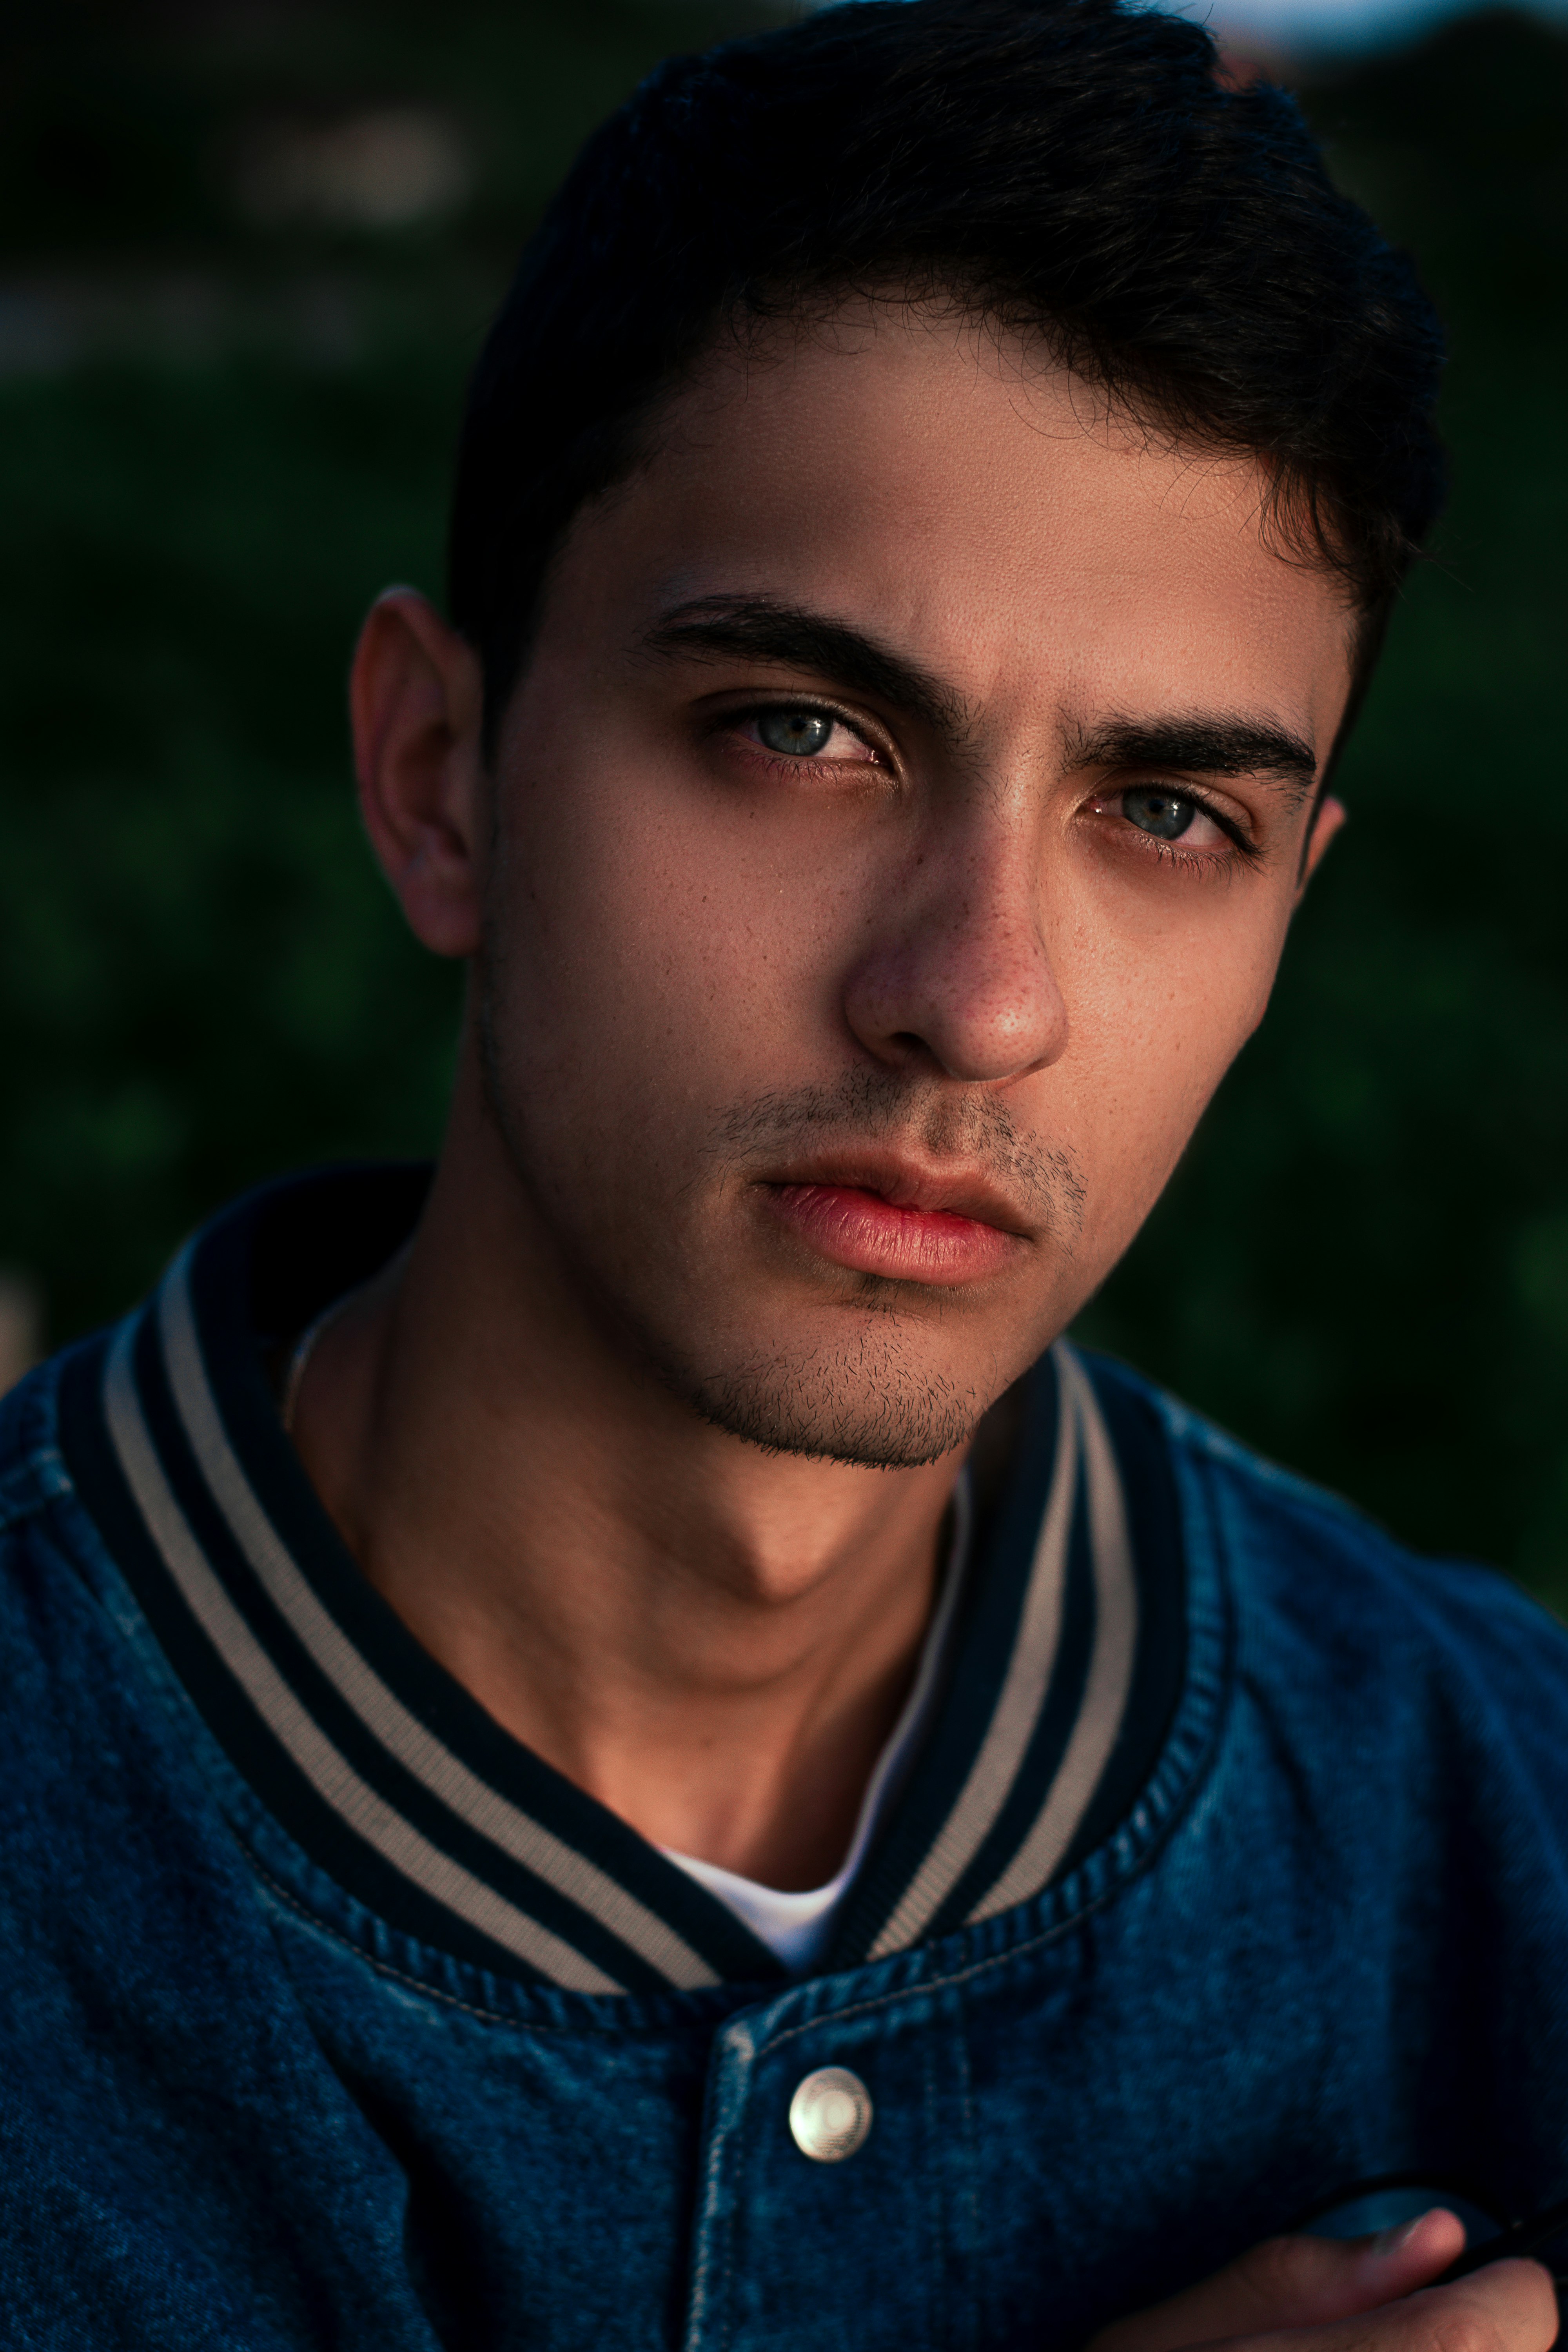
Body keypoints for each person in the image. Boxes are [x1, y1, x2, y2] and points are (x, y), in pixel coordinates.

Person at [2, 1, 1564, 2345]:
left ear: (1282, 928)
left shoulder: (1499, 1809)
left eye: (1167, 817)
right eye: (804, 732)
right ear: (439, 776)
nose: (979, 995)